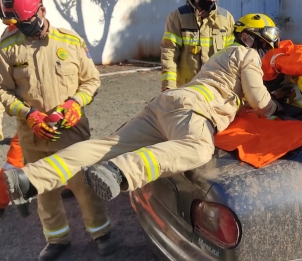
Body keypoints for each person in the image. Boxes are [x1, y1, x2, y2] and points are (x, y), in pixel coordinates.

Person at [3, 13, 282, 207]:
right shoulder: (245, 55)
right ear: (250, 39)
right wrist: (275, 106)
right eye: (265, 48)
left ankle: (29, 178)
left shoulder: (220, 54)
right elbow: (258, 99)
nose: (265, 55)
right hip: (192, 110)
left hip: (166, 104)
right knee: (199, 148)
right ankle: (120, 172)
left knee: (105, 145)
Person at [0, 0, 115, 260]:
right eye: (17, 24)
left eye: (27, 23)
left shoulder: (70, 42)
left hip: (72, 134)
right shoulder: (7, 47)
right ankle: (56, 239)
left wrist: (76, 103)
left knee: (84, 185)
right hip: (34, 136)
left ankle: (101, 233)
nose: (23, 30)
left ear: (42, 11)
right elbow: (2, 90)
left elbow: (92, 80)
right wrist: (28, 115)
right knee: (44, 191)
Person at [161, 0, 235, 91]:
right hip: (186, 89)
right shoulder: (178, 17)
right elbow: (169, 54)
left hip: (216, 90)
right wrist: (169, 86)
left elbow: (231, 57)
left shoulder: (226, 19)